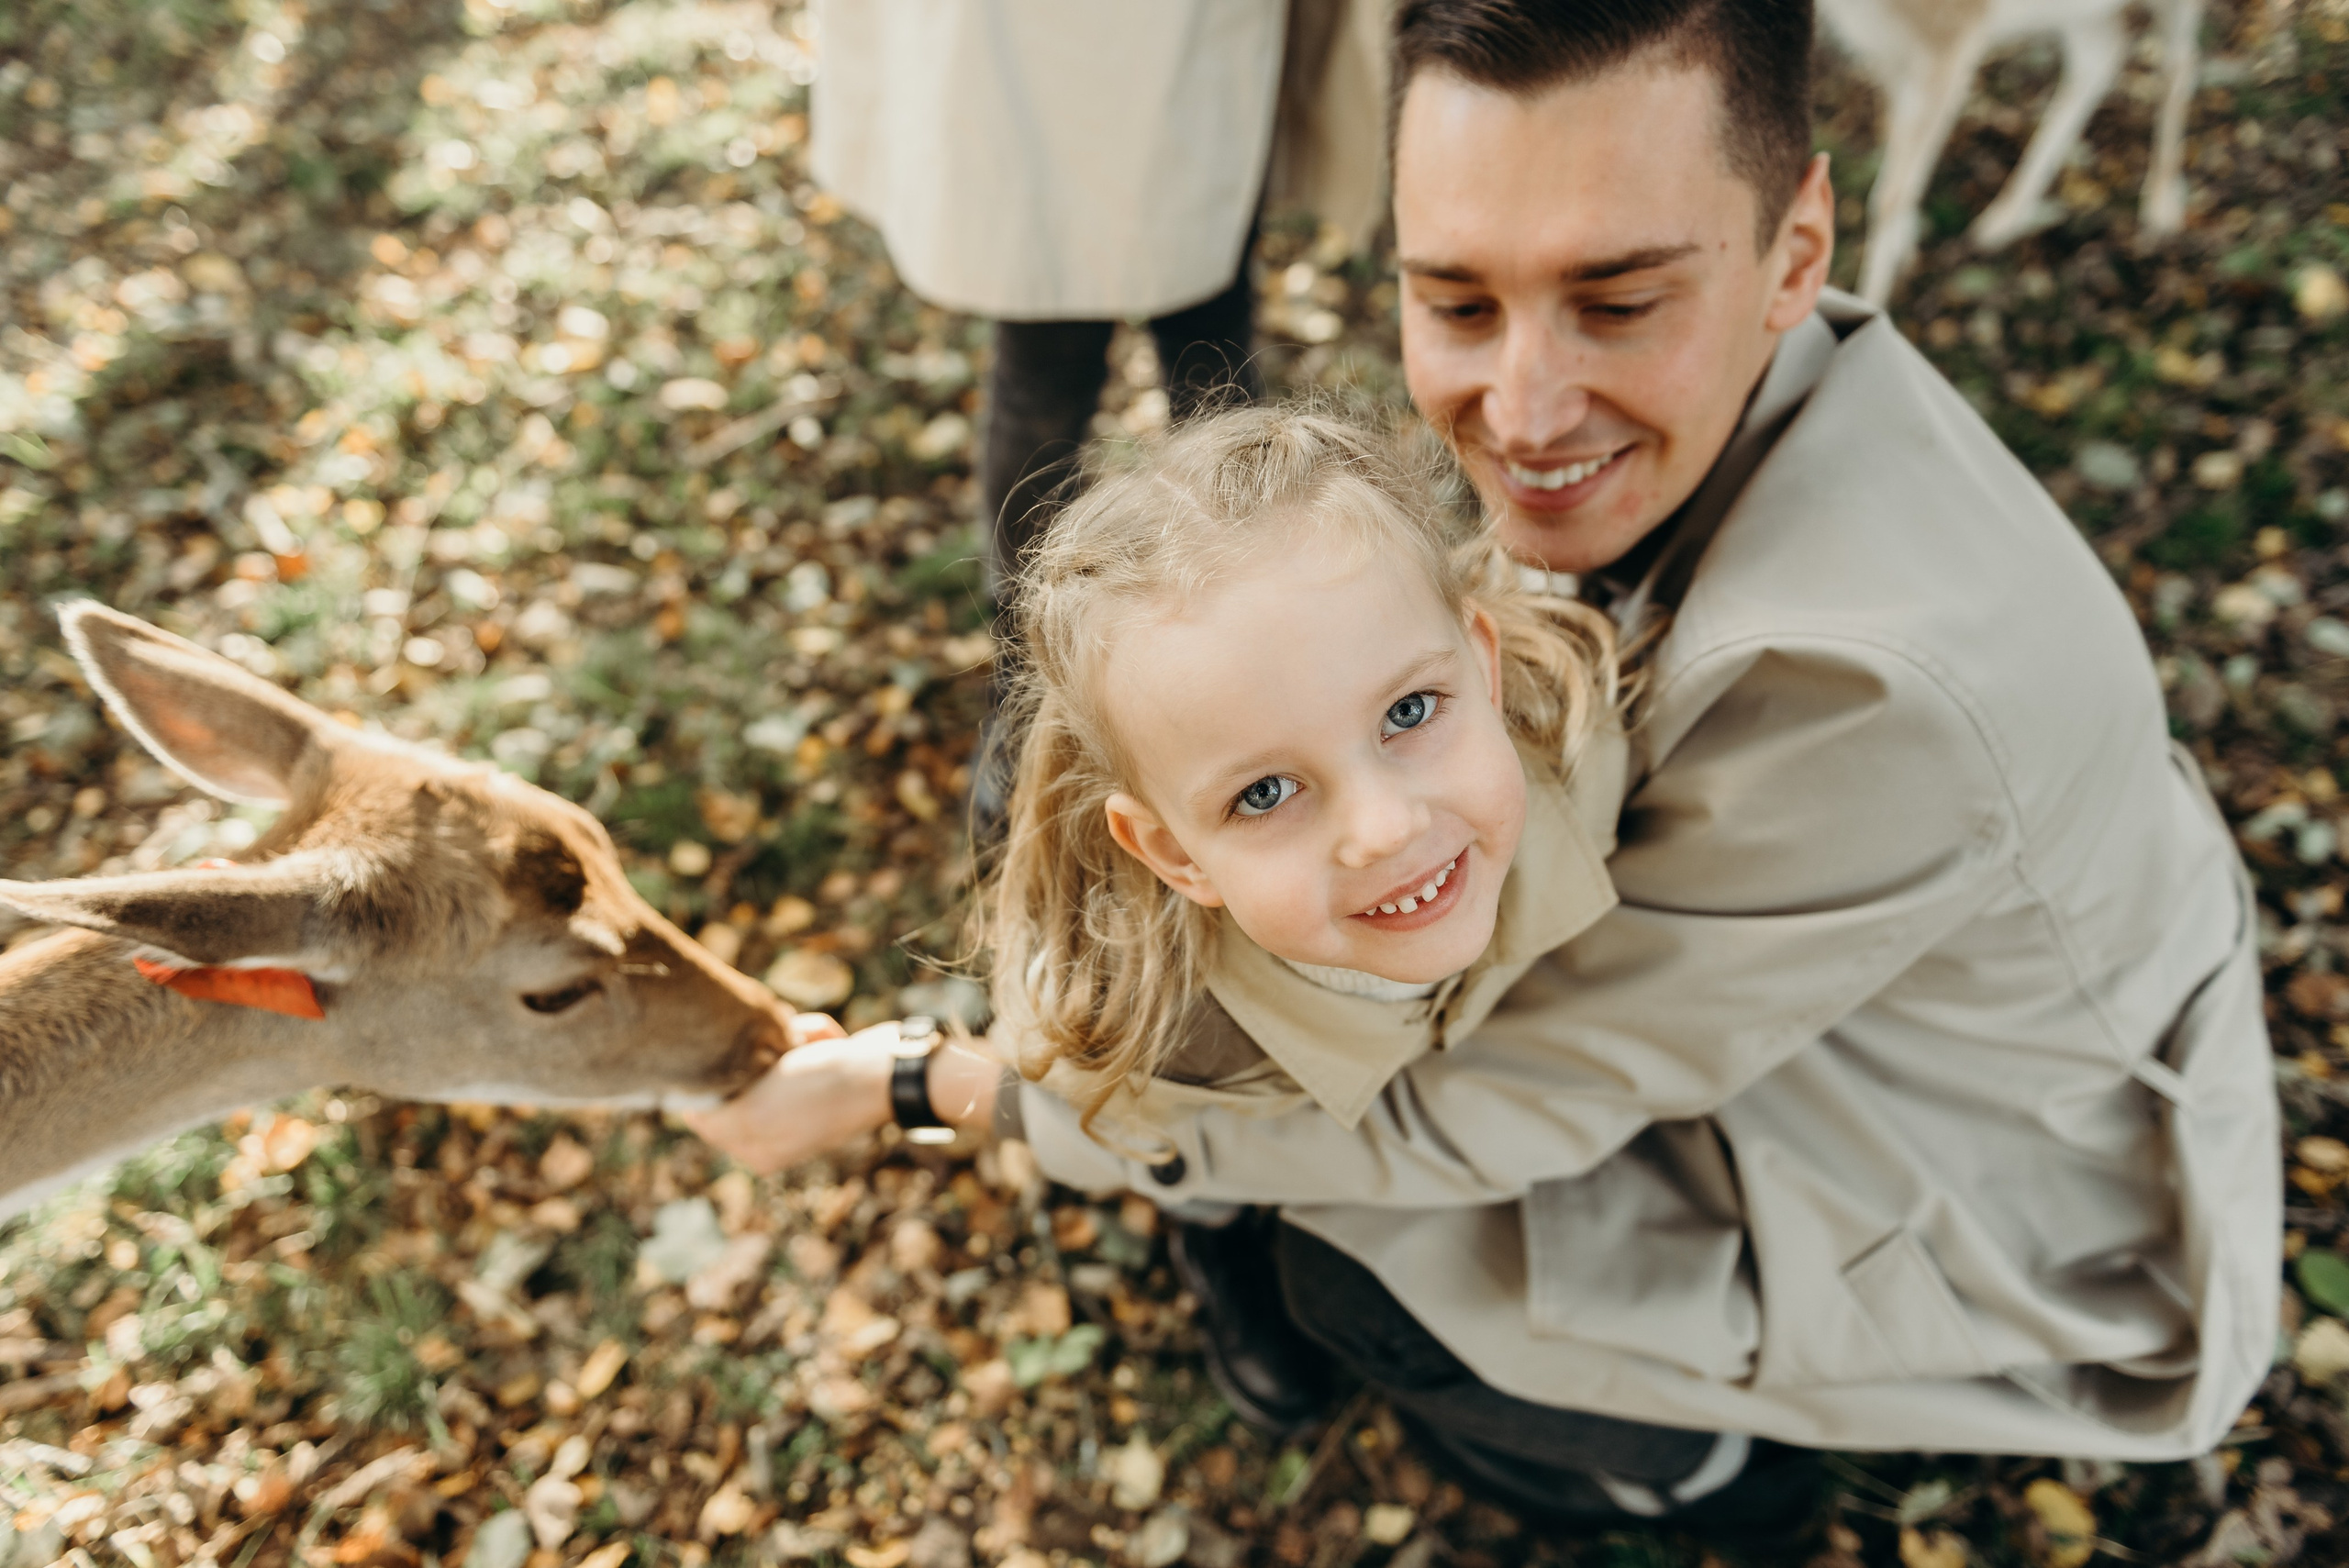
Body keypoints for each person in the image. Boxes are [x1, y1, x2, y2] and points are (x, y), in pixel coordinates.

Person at [699, 0, 2279, 1533]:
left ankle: (1711, 1480)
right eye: (1457, 304)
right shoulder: (1729, 396)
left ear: (1800, 246)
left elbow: (1473, 1121)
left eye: (1617, 303)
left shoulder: (1867, 700)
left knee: (1356, 1265)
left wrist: (932, 1083)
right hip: (1866, 1025)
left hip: (2002, 1221)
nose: (1517, 416)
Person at [810, 0, 1389, 589]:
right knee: (1089, 357)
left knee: (1191, 350)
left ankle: (1244, 587)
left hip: (1161, 62)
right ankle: (1033, 624)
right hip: (1065, 72)